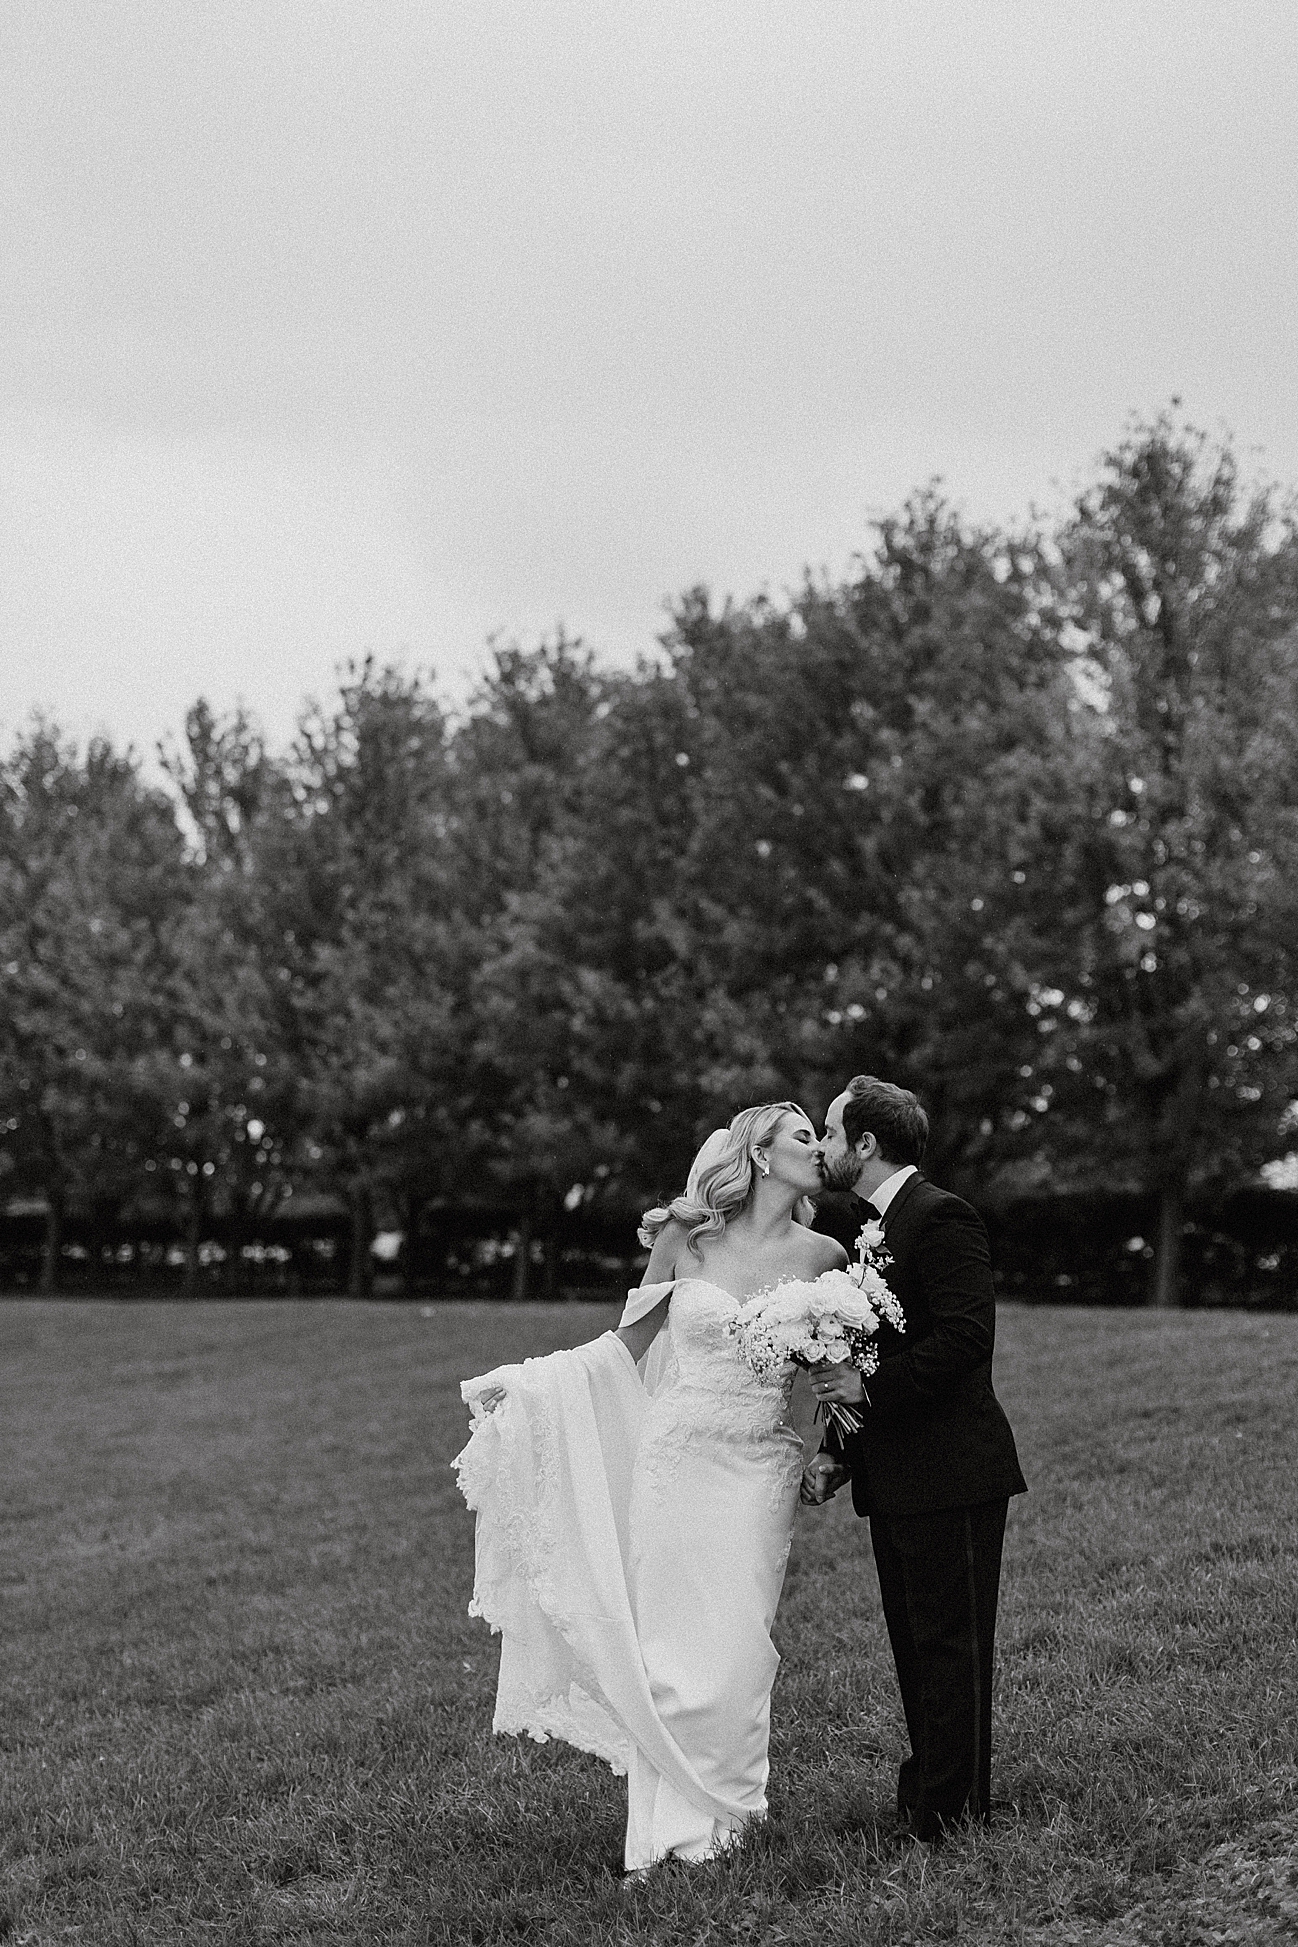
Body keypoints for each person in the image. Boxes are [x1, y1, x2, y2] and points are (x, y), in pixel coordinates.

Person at [455, 1103, 845, 1874]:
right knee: (670, 1648)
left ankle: (731, 1815)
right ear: (760, 1153)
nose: (819, 1148)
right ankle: (663, 1833)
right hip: (677, 1460)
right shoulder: (687, 1238)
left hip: (757, 1467)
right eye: (804, 1136)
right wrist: (529, 1385)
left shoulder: (825, 1254)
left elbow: (831, 1372)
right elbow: (624, 1345)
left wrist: (829, 1450)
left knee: (738, 1646)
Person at [802, 1075, 1027, 1844]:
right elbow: (868, 1349)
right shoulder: (874, 1226)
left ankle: (954, 1810)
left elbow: (966, 1338)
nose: (822, 1146)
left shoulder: (941, 1216)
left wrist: (867, 1388)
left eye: (829, 1131)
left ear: (865, 1143)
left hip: (953, 1470)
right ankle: (930, 1795)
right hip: (896, 1472)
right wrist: (839, 1449)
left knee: (952, 1644)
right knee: (915, 1642)